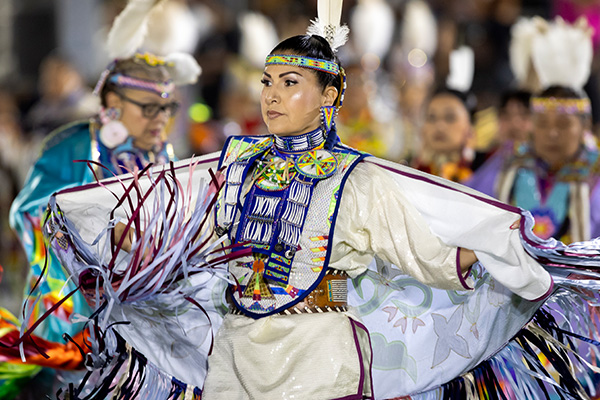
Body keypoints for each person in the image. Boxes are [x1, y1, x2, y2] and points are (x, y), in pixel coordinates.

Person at [41, 5, 600, 400]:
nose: (272, 96)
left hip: (320, 358)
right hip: (235, 356)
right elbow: (193, 237)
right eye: (267, 82)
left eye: (290, 83)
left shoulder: (357, 180)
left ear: (330, 97)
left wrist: (491, 254)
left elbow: (425, 253)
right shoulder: (234, 166)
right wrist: (129, 246)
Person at [0, 0, 201, 395]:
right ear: (112, 104)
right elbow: (28, 212)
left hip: (142, 322)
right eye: (148, 108)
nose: (161, 118)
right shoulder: (71, 146)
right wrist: (97, 235)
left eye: (168, 107)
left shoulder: (161, 155)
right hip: (71, 322)